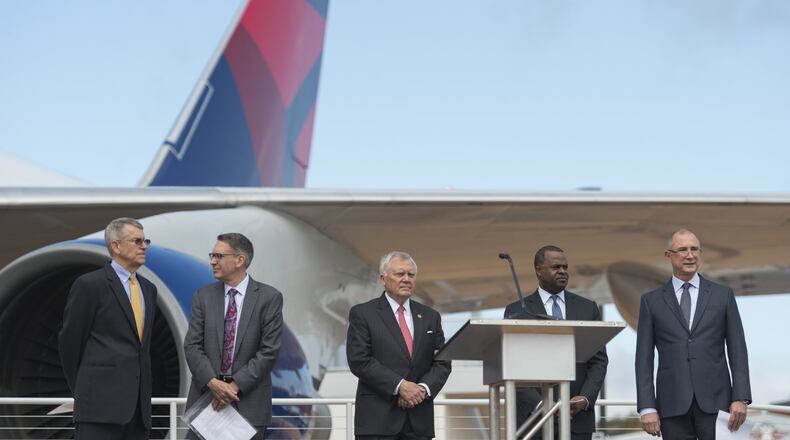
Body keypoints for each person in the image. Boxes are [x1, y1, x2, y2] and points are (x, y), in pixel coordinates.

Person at [635, 229, 751, 439]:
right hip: (671, 406)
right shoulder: (651, 301)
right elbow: (643, 359)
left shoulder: (722, 295)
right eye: (682, 249)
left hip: (719, 404)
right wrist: (646, 407)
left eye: (694, 249)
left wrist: (741, 397)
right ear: (668, 255)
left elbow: (738, 350)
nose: (690, 255)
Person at [58, 217, 157, 440]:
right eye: (137, 241)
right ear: (116, 245)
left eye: (145, 241)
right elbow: (70, 343)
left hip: (138, 413)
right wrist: (86, 391)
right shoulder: (90, 285)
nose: (144, 246)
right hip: (98, 409)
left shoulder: (149, 289)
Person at [183, 233, 283, 439]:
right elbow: (192, 346)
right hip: (206, 402)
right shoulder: (203, 296)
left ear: (240, 260)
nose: (212, 261)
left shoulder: (269, 298)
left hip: (249, 405)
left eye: (219, 256)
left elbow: (268, 352)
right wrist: (213, 383)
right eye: (212, 255)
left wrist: (233, 387)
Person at [503, 245, 608, 440]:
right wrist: (541, 404)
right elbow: (513, 366)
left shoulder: (587, 308)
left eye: (565, 267)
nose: (562, 272)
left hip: (578, 420)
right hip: (534, 421)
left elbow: (599, 361)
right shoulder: (518, 311)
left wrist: (584, 399)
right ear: (538, 270)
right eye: (555, 267)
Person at [346, 251, 452, 440]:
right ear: (383, 278)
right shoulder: (363, 313)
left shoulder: (430, 317)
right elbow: (359, 361)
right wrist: (400, 386)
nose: (406, 279)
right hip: (377, 422)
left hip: (419, 422)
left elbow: (442, 362)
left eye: (411, 275)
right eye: (399, 274)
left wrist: (422, 390)